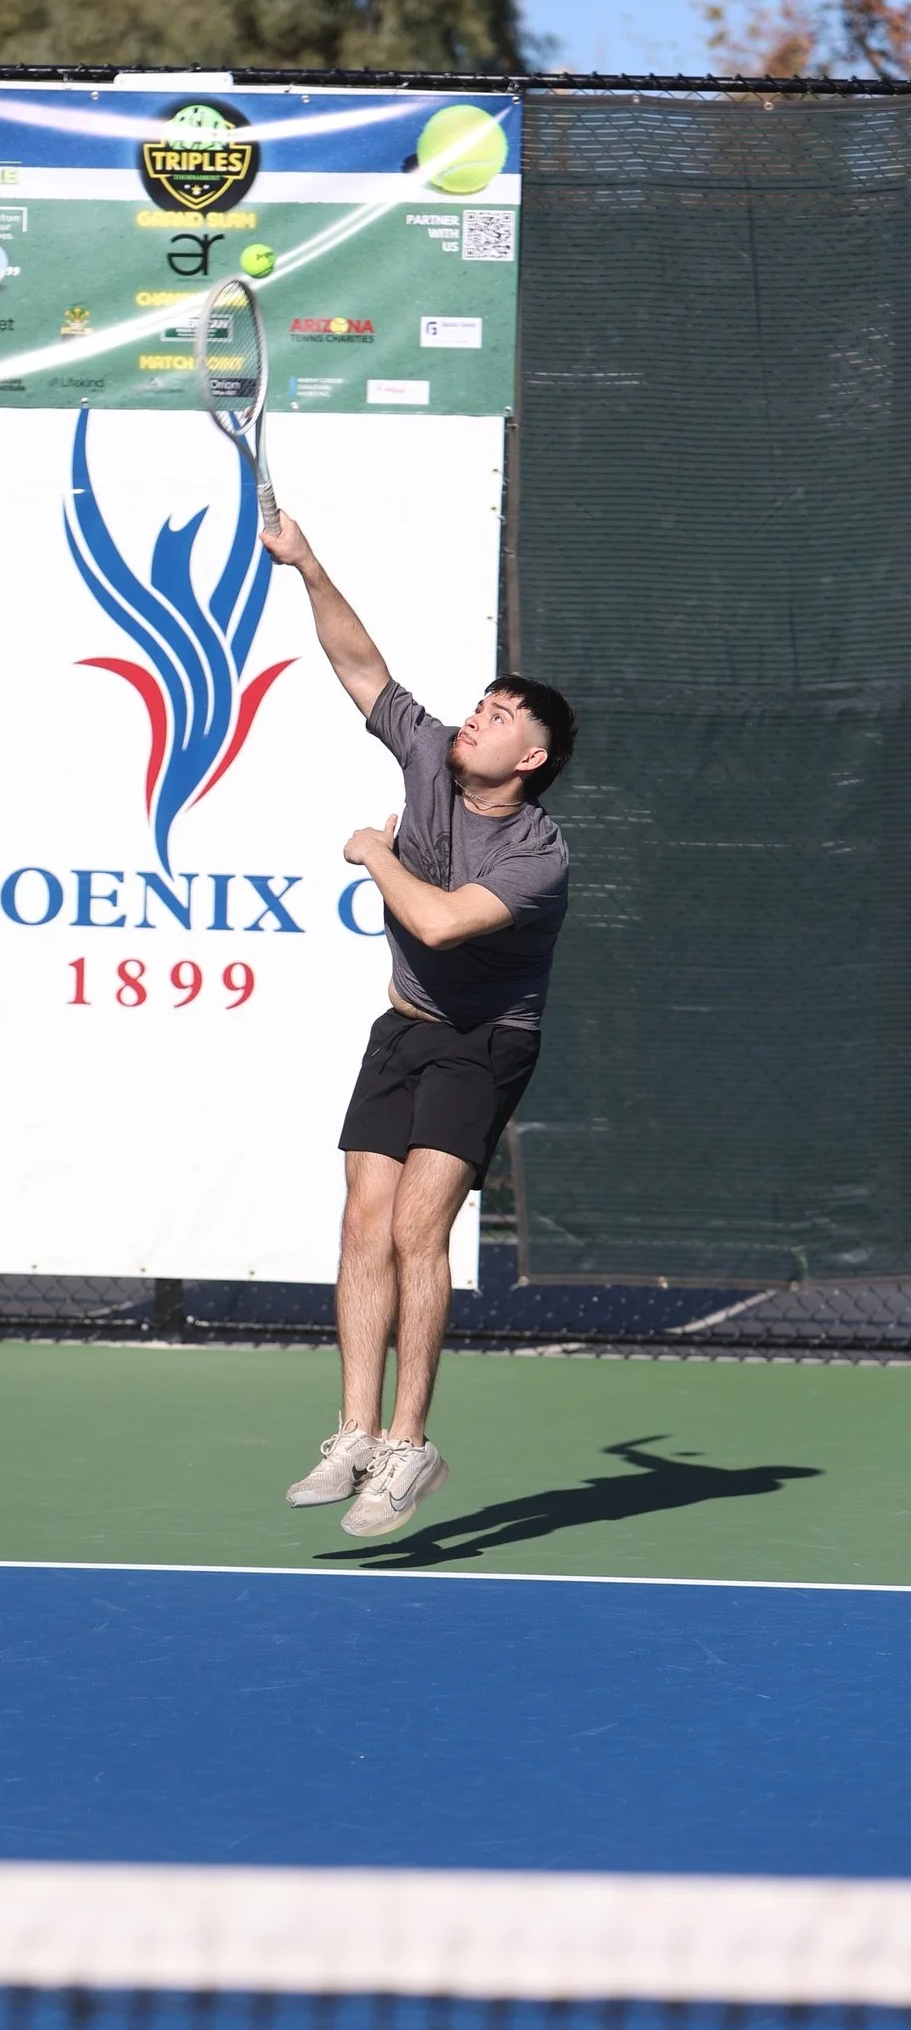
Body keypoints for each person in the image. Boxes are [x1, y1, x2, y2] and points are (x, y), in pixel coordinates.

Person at [262, 512, 576, 1540]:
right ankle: (353, 1429)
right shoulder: (430, 756)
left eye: (498, 718)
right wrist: (307, 564)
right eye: (480, 706)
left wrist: (371, 853)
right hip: (402, 1028)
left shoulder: (536, 856)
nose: (474, 721)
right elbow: (360, 665)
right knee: (361, 1222)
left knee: (414, 1231)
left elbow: (439, 923)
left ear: (529, 759)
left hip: (487, 1041)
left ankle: (408, 1447)